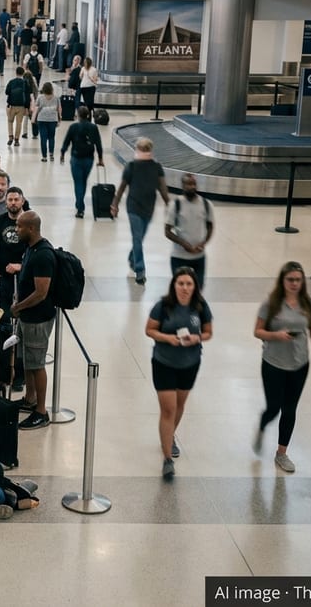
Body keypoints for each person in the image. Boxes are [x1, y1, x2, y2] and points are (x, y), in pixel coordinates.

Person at [253, 261, 311, 473]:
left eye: (298, 280)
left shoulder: (308, 304)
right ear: (282, 281)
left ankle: (282, 452)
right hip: (273, 363)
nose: (294, 283)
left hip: (299, 364)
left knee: (289, 409)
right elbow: (257, 331)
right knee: (273, 407)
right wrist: (275, 335)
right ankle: (262, 425)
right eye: (290, 279)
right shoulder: (271, 303)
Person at [144, 266, 212, 480]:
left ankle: (169, 436)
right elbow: (149, 330)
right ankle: (167, 459)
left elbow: (208, 332)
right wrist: (167, 338)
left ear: (194, 287)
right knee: (168, 409)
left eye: (189, 284)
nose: (184, 288)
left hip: (190, 363)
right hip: (163, 363)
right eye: (180, 283)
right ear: (174, 285)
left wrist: (197, 338)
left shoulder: (200, 307)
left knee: (180, 405)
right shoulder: (163, 306)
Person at [9, 211, 55, 431]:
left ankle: (41, 411)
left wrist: (18, 307)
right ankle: (29, 398)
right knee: (27, 360)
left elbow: (41, 293)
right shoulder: (30, 249)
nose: (16, 230)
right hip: (26, 317)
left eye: (19, 227)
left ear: (31, 228)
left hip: (37, 319)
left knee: (37, 364)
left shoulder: (43, 255)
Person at [111, 138, 170, 286]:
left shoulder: (155, 167)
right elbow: (122, 187)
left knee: (140, 238)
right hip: (134, 208)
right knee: (137, 238)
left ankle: (132, 257)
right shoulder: (132, 166)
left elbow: (162, 189)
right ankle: (140, 270)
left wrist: (170, 206)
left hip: (148, 208)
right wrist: (115, 204)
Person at [164, 173, 215, 289]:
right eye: (188, 184)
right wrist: (184, 244)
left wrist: (203, 243)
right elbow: (167, 231)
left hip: (199, 257)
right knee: (180, 291)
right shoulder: (175, 205)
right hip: (179, 257)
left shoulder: (206, 204)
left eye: (194, 184)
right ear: (182, 186)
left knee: (198, 289)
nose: (192, 187)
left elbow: (210, 226)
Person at [0, 188, 31, 309]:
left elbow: (36, 249)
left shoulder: (31, 222)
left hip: (25, 276)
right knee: (2, 311)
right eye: (10, 200)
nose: (13, 203)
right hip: (2, 276)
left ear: (22, 201)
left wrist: (22, 266)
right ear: (5, 202)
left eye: (16, 199)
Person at [60, 106, 104, 219]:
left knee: (78, 182)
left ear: (78, 115)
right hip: (89, 159)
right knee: (83, 181)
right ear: (88, 115)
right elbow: (98, 143)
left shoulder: (73, 127)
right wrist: (100, 158)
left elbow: (67, 141)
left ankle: (80, 208)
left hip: (76, 158)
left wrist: (62, 153)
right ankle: (79, 202)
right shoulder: (93, 127)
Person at [32, 81, 61, 163]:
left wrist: (33, 118)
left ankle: (44, 156)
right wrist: (60, 119)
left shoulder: (40, 97)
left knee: (43, 138)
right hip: (53, 119)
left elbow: (36, 108)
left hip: (42, 119)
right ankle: (51, 154)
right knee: (51, 137)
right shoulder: (56, 98)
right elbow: (59, 109)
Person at [4, 67, 31, 147]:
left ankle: (10, 137)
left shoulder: (11, 82)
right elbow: (27, 96)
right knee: (19, 123)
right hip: (21, 106)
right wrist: (27, 107)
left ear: (16, 72)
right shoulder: (25, 83)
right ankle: (16, 140)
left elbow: (6, 92)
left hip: (11, 105)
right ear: (23, 73)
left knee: (10, 121)